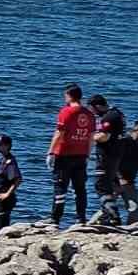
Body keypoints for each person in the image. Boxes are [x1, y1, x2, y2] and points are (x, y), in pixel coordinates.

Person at [46, 83, 95, 227]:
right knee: (80, 188)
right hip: (81, 155)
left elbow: (59, 134)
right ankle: (81, 218)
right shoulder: (89, 114)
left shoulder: (66, 112)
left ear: (69, 96)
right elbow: (91, 137)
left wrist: (50, 152)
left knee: (60, 188)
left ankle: (55, 219)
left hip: (64, 155)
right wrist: (87, 154)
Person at [89, 95, 128, 226]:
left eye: (93, 110)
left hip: (107, 156)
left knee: (101, 186)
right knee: (109, 186)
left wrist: (91, 137)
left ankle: (112, 216)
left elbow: (104, 136)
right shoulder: (118, 113)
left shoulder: (109, 117)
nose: (94, 113)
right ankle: (108, 214)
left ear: (98, 106)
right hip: (117, 155)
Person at [0, 135, 22, 234]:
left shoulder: (10, 162)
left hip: (3, 200)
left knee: (0, 227)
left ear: (7, 146)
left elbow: (17, 179)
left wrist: (7, 194)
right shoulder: (2, 160)